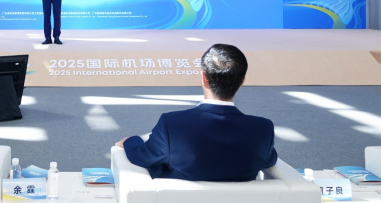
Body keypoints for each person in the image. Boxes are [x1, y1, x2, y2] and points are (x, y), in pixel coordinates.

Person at [114, 44, 277, 182]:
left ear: (204, 78)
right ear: (242, 81)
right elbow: (269, 159)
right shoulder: (262, 129)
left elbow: (142, 157)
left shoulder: (172, 124)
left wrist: (131, 140)